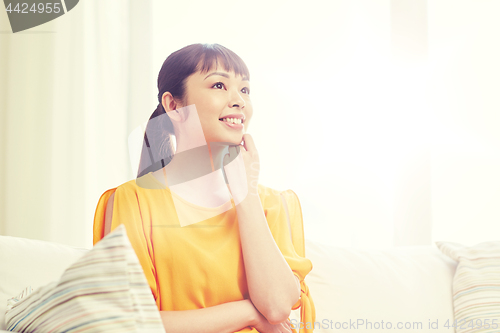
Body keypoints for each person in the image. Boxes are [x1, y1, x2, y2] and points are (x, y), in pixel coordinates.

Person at [93, 43, 315, 333]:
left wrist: (246, 196)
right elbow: (129, 324)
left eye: (245, 90)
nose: (239, 101)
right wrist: (248, 313)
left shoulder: (274, 204)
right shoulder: (133, 202)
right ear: (174, 106)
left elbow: (276, 308)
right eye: (219, 85)